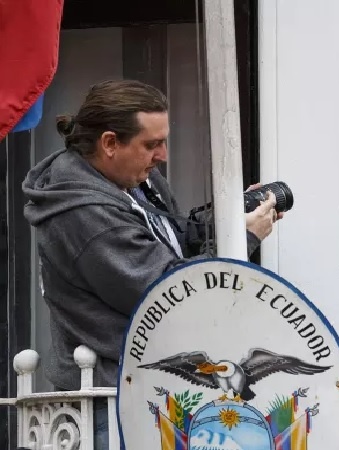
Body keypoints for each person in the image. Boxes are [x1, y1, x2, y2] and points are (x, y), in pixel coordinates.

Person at [22, 80, 281, 448]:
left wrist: (229, 215)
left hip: (147, 389)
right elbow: (167, 292)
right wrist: (245, 238)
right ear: (109, 143)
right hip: (112, 403)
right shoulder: (86, 215)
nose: (163, 155)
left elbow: (172, 241)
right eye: (151, 144)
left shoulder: (133, 179)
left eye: (164, 141)